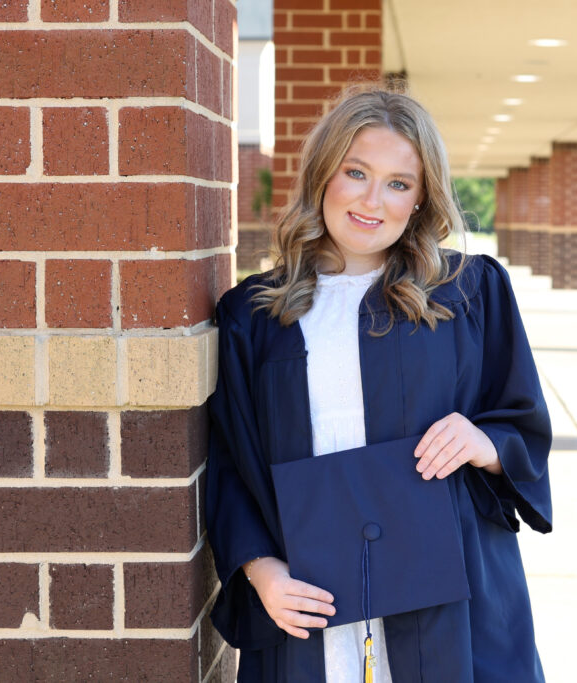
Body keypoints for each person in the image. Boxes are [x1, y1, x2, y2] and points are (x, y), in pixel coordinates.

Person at [206, 86, 552, 682]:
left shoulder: (468, 293)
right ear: (322, 176)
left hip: (450, 595)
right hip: (309, 596)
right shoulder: (253, 316)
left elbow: (521, 423)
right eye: (356, 173)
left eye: (399, 183)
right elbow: (232, 464)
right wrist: (263, 573)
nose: (373, 201)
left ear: (421, 199)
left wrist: (482, 442)